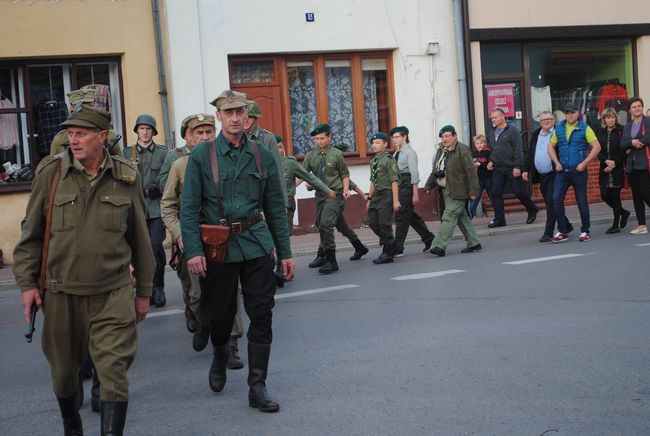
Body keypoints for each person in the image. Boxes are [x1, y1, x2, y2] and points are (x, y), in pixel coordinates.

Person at [13, 105, 155, 435]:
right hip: (61, 293)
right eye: (71, 133)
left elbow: (140, 240)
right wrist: (26, 284)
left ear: (102, 137)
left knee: (113, 373)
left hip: (113, 292)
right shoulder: (52, 174)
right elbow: (31, 234)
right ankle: (71, 423)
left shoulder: (125, 175)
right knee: (63, 374)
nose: (73, 140)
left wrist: (144, 291)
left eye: (81, 133)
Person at [181, 90, 294, 413]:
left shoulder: (262, 153)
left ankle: (257, 386)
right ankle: (219, 355)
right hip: (218, 247)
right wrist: (193, 251)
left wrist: (284, 252)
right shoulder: (203, 156)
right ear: (218, 116)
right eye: (228, 112)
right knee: (219, 316)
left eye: (240, 112)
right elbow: (189, 208)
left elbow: (275, 205)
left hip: (257, 243)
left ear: (247, 115)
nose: (235, 118)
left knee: (262, 314)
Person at [161, 114, 246, 368]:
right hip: (194, 239)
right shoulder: (181, 165)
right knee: (198, 296)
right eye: (200, 133)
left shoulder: (229, 160)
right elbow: (168, 206)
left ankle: (230, 346)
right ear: (188, 137)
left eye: (209, 131)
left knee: (232, 291)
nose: (206, 136)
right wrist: (180, 235)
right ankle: (205, 322)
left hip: (224, 238)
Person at [124, 115, 169, 306]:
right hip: (135, 209)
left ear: (153, 131)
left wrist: (159, 187)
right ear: (137, 131)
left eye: (148, 129)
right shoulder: (127, 154)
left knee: (154, 247)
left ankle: (158, 287)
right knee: (138, 251)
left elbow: (169, 177)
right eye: (141, 128)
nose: (145, 132)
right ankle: (146, 288)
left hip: (157, 208)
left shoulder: (163, 152)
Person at [547, 102, 601, 242]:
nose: (570, 115)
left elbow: (596, 147)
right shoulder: (559, 128)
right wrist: (556, 162)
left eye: (572, 112)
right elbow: (550, 146)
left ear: (578, 113)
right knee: (556, 199)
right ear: (565, 114)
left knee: (581, 201)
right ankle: (563, 230)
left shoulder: (584, 128)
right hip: (562, 171)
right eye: (567, 113)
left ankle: (585, 231)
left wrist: (584, 163)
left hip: (579, 172)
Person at [425, 125, 481, 256]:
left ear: (454, 136)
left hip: (459, 190)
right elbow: (435, 170)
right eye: (443, 136)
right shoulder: (441, 151)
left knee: (449, 216)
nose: (444, 139)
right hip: (445, 189)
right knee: (461, 216)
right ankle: (474, 242)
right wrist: (428, 185)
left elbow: (471, 172)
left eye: (447, 136)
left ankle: (439, 245)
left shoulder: (462, 150)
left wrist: (474, 191)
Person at [302, 123, 351, 274]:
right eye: (316, 139)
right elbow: (303, 174)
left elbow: (344, 174)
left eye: (322, 138)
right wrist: (306, 185)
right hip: (320, 195)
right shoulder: (311, 155)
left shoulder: (336, 154)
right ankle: (323, 255)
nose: (319, 141)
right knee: (319, 223)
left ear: (330, 137)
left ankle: (332, 261)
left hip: (334, 193)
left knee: (326, 224)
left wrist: (346, 189)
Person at [487, 108, 539, 228]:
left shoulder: (512, 131)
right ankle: (500, 219)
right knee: (496, 193)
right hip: (498, 168)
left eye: (495, 117)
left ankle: (532, 209)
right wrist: (491, 161)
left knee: (519, 191)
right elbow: (493, 149)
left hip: (512, 167)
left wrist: (517, 166)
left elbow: (518, 150)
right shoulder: (492, 131)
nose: (493, 120)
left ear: (502, 117)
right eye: (492, 118)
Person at [522, 111, 569, 242]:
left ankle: (548, 232)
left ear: (554, 120)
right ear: (540, 122)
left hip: (555, 174)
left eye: (549, 119)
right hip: (542, 176)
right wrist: (526, 169)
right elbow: (530, 153)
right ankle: (566, 225)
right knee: (552, 203)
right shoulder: (536, 134)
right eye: (543, 120)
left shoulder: (558, 133)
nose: (546, 121)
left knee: (551, 202)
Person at [390, 126, 435, 255]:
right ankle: (429, 239)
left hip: (407, 185)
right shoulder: (397, 153)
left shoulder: (410, 153)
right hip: (399, 185)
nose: (394, 140)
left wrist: (415, 193)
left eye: (397, 137)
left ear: (405, 137)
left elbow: (414, 174)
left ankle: (398, 248)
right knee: (410, 216)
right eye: (393, 137)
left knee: (401, 216)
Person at [277, 134, 335, 234]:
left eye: (280, 147)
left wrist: (327, 191)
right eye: (275, 147)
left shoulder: (290, 163)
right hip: (270, 204)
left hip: (287, 203)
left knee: (284, 235)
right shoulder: (264, 164)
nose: (278, 150)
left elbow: (309, 177)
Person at [49, 87, 123, 157]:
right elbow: (53, 167)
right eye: (80, 107)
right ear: (71, 108)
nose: (85, 110)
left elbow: (119, 165)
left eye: (89, 106)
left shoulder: (108, 136)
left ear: (94, 107)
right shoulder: (60, 140)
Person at [245, 100, 288, 207]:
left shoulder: (267, 139)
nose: (246, 120)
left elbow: (277, 171)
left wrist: (282, 203)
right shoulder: (234, 138)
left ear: (256, 118)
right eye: (244, 116)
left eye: (250, 117)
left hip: (263, 194)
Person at [366, 132, 400, 264]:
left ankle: (388, 252)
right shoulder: (373, 160)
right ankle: (392, 245)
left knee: (384, 224)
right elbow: (373, 181)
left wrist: (396, 200)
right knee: (373, 222)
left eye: (377, 143)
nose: (374, 145)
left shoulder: (389, 160)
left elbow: (394, 181)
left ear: (385, 144)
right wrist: (369, 199)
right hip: (377, 195)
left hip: (387, 194)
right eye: (373, 143)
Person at [596, 107, 630, 234]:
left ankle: (615, 225)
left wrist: (614, 163)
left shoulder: (622, 130)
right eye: (608, 117)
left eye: (612, 117)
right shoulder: (600, 132)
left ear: (615, 117)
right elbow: (597, 150)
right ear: (604, 119)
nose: (611, 120)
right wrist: (606, 162)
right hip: (604, 168)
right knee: (604, 195)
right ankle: (623, 212)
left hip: (617, 168)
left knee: (615, 197)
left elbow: (624, 150)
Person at [621, 97, 650, 235]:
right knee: (636, 195)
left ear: (642, 107)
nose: (636, 109)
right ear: (630, 110)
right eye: (633, 107)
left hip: (645, 163)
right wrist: (632, 143)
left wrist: (635, 144)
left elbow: (648, 138)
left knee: (645, 192)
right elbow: (622, 144)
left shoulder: (648, 121)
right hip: (631, 165)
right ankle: (641, 225)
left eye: (639, 106)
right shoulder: (627, 126)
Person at [467, 134, 495, 220]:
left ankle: (498, 215)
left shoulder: (488, 152)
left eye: (481, 143)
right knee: (475, 198)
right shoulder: (474, 153)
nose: (479, 145)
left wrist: (481, 165)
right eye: (477, 144)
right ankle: (469, 217)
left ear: (485, 143)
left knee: (493, 197)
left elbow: (490, 165)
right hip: (478, 179)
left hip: (488, 178)